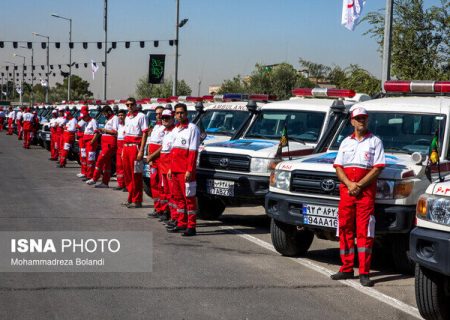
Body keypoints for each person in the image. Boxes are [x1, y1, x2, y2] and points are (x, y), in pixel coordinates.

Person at [331, 106, 385, 287]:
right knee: (345, 228)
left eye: (364, 118)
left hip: (365, 193)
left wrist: (359, 185)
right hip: (347, 192)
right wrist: (349, 184)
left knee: (365, 232)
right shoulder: (345, 142)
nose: (361, 121)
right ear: (352, 121)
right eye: (358, 118)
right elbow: (338, 166)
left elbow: (378, 167)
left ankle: (364, 272)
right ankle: (346, 268)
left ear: (367, 120)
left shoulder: (375, 142)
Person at [167, 103, 201, 237]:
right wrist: (170, 168)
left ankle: (191, 226)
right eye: (177, 113)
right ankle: (181, 223)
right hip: (175, 170)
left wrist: (189, 170)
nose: (179, 115)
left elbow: (193, 152)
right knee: (179, 198)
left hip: (185, 171)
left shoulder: (192, 129)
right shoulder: (175, 130)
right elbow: (172, 152)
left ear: (186, 114)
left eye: (181, 113)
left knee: (189, 198)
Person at [122, 97, 149, 208]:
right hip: (126, 147)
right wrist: (124, 149)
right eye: (127, 105)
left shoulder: (141, 116)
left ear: (135, 104)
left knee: (136, 175)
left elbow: (145, 133)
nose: (129, 107)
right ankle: (130, 197)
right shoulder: (127, 117)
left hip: (135, 148)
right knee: (127, 174)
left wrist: (141, 150)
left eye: (131, 104)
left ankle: (137, 200)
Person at [152, 109, 177, 224]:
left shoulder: (175, 131)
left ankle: (174, 216)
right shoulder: (165, 131)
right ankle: (167, 212)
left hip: (170, 163)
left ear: (173, 118)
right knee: (164, 189)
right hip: (163, 162)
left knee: (172, 192)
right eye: (163, 118)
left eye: (167, 118)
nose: (165, 120)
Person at [87, 105, 119, 188]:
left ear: (109, 112)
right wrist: (101, 130)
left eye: (104, 113)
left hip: (110, 143)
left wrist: (105, 130)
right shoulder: (108, 119)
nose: (104, 115)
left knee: (100, 160)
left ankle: (94, 178)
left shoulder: (114, 118)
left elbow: (115, 132)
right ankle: (105, 182)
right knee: (106, 164)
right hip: (105, 143)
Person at [146, 105, 165, 217]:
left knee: (161, 186)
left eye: (160, 113)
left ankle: (163, 209)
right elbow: (150, 143)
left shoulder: (166, 128)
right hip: (153, 160)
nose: (158, 116)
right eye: (157, 114)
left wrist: (152, 156)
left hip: (160, 159)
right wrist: (149, 157)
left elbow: (163, 146)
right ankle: (157, 208)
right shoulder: (155, 127)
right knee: (153, 184)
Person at [81, 109, 99, 181]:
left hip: (91, 142)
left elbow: (97, 132)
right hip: (86, 142)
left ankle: (90, 175)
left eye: (84, 118)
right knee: (86, 158)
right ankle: (87, 174)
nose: (83, 119)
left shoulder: (93, 121)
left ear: (87, 116)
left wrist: (92, 141)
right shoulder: (87, 122)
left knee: (90, 159)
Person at [114, 109, 127, 191]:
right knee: (119, 166)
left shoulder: (128, 124)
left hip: (125, 145)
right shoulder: (119, 125)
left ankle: (127, 185)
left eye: (122, 115)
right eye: (119, 115)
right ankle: (120, 183)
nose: (120, 117)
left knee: (126, 166)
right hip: (119, 146)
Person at [76, 106, 89, 178]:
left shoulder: (84, 120)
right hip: (81, 138)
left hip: (83, 138)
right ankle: (83, 171)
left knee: (83, 156)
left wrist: (80, 120)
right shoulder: (83, 118)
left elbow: (77, 126)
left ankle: (84, 172)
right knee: (82, 156)